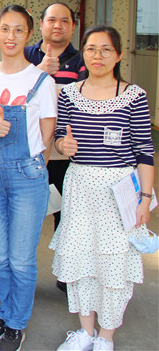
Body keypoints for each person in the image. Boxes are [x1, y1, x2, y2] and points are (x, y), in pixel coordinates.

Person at [51, 26, 154, 351]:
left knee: (114, 263)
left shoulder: (133, 96)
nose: (98, 55)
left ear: (119, 55)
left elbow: (145, 151)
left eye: (106, 49)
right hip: (80, 185)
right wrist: (63, 145)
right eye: (91, 49)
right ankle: (85, 331)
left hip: (119, 190)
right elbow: (59, 136)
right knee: (81, 260)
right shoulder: (69, 94)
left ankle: (106, 336)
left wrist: (145, 199)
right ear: (83, 54)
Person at [0, 4, 57, 351]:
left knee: (21, 258)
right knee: (1, 256)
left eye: (18, 30)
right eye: (5, 29)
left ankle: (16, 324)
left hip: (27, 176)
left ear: (29, 34)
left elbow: (46, 137)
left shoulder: (43, 82)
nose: (11, 36)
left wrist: (33, 169)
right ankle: (6, 312)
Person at [24, 3, 86, 237]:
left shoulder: (81, 60)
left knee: (66, 215)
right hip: (29, 148)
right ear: (41, 24)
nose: (58, 25)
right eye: (52, 20)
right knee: (26, 212)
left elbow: (83, 102)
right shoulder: (25, 55)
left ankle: (64, 259)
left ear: (73, 26)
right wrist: (40, 72)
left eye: (64, 21)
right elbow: (12, 96)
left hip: (64, 151)